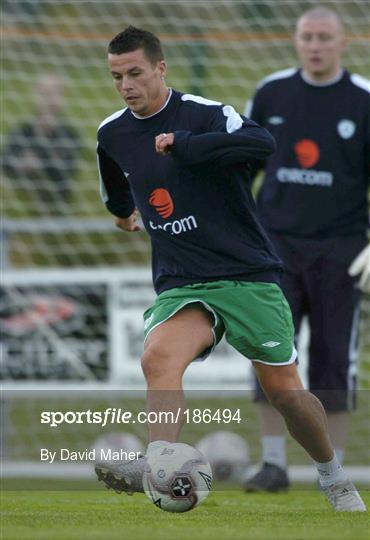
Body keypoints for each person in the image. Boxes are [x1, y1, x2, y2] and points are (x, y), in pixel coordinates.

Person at [95, 25, 366, 511]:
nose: (126, 85)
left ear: (160, 67)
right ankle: (162, 468)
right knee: (158, 358)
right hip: (182, 280)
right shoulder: (112, 132)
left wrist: (185, 145)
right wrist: (123, 213)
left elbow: (263, 144)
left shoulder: (205, 114)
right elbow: (116, 183)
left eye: (135, 73)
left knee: (286, 394)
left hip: (246, 275)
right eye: (116, 77)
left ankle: (332, 474)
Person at [243, 7, 370, 493]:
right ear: (296, 41)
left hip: (342, 249)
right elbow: (243, 169)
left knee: (334, 360)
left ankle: (332, 473)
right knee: (271, 353)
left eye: (324, 37)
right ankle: (273, 464)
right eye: (307, 37)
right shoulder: (272, 91)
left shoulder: (361, 99)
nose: (314, 45)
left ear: (343, 43)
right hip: (274, 248)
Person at [3, 73, 81, 214]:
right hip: (22, 207)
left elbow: (66, 170)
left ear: (64, 97)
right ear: (35, 94)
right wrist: (20, 165)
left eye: (54, 93)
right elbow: (5, 164)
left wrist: (37, 159)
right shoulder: (21, 132)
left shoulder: (70, 135)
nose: (49, 98)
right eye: (44, 93)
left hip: (57, 208)